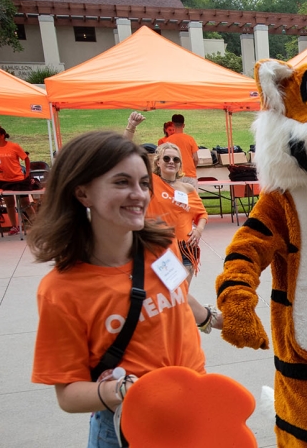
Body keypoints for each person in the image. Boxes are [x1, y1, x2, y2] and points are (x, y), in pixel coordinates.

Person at [28, 131, 215, 448]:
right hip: (127, 427)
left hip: (192, 407)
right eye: (121, 182)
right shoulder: (61, 290)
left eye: (144, 183)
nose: (140, 194)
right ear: (82, 193)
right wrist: (123, 390)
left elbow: (179, 298)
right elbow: (69, 395)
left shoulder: (160, 248)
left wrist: (219, 320)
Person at [147, 142, 209, 276]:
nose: (171, 162)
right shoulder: (151, 182)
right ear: (158, 162)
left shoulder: (187, 189)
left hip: (185, 248)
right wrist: (131, 128)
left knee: (181, 294)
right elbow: (121, 158)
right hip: (160, 247)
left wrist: (198, 230)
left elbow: (202, 214)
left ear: (180, 164)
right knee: (170, 294)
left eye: (176, 159)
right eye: (166, 158)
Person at [0, 125, 35, 235]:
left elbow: (26, 158)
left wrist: (27, 172)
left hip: (18, 178)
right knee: (9, 203)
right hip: (2, 180)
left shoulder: (14, 146)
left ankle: (37, 226)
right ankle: (14, 226)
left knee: (25, 202)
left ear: (3, 135)